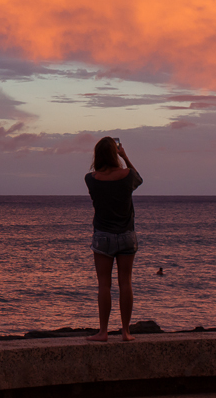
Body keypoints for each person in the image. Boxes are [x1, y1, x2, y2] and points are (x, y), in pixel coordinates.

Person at [84, 137, 143, 342]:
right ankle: (126, 332)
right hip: (126, 235)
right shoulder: (128, 176)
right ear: (114, 153)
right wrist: (125, 156)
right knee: (125, 282)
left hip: (102, 236)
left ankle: (103, 331)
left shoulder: (91, 178)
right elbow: (139, 179)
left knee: (104, 285)